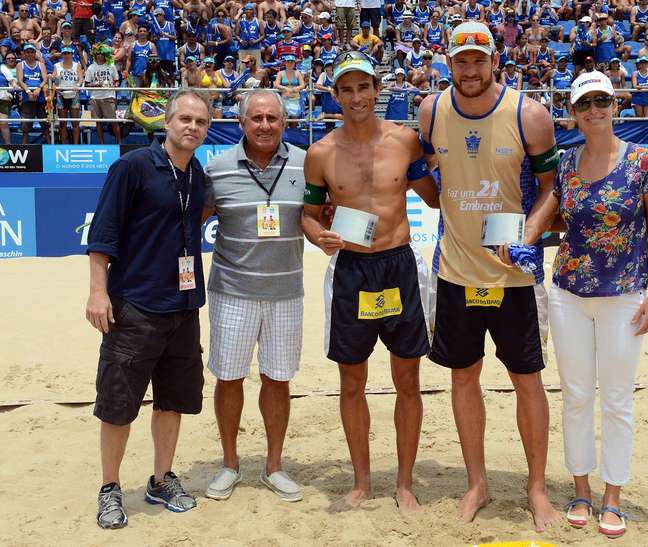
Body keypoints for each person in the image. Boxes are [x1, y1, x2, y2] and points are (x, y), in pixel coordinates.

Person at [417, 21, 561, 530]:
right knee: (463, 378)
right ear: (449, 63)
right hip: (456, 272)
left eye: (480, 60)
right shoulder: (431, 109)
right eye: (462, 60)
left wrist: (529, 235)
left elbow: (551, 188)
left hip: (514, 276)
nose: (471, 69)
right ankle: (476, 482)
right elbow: (429, 170)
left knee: (528, 381)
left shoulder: (529, 114)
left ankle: (537, 488)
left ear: (494, 60)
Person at [302, 50, 439, 515]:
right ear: (336, 95)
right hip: (351, 269)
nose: (357, 96)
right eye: (347, 89)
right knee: (351, 381)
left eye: (364, 87)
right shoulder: (320, 153)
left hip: (399, 265)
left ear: (378, 90)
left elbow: (436, 198)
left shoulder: (405, 143)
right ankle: (361, 481)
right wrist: (317, 234)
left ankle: (404, 483)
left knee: (407, 379)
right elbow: (307, 213)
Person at [542, 70, 648, 538]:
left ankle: (613, 495)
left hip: (625, 295)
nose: (593, 109)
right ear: (572, 114)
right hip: (569, 293)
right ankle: (581, 489)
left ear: (615, 105)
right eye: (584, 104)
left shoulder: (644, 162)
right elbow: (553, 217)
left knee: (616, 400)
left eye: (601, 101)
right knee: (575, 397)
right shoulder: (565, 162)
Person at [85, 90, 212, 529]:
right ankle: (109, 488)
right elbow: (104, 233)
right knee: (118, 404)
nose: (191, 126)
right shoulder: (133, 166)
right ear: (167, 121)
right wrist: (97, 293)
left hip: (184, 307)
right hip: (135, 307)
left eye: (200, 121)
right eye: (184, 118)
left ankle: (161, 479)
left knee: (172, 401)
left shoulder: (197, 174)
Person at [202, 90, 306, 503]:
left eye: (273, 118)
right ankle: (229, 464)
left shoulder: (304, 162)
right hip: (232, 291)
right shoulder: (217, 168)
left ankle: (274, 466)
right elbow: (192, 219)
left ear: (285, 122)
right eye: (256, 118)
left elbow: (323, 212)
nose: (265, 125)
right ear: (241, 122)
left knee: (277, 379)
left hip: (286, 292)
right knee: (228, 377)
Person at [85, 45, 122, 144]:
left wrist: (115, 86)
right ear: (94, 55)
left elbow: (117, 81)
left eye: (102, 53)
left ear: (105, 54)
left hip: (109, 96)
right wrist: (96, 84)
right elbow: (87, 84)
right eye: (97, 53)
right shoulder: (91, 68)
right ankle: (102, 144)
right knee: (98, 122)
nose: (100, 55)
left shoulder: (111, 66)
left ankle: (119, 143)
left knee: (113, 122)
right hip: (95, 97)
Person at [16, 43, 50, 144]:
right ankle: (24, 150)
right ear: (24, 54)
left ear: (35, 53)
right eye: (28, 52)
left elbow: (45, 79)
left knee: (45, 127)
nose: (30, 54)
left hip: (41, 98)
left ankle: (50, 147)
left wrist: (39, 88)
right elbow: (20, 80)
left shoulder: (41, 64)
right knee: (25, 127)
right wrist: (28, 91)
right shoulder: (20, 65)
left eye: (32, 52)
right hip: (27, 99)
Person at [53, 46, 83, 144]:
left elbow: (81, 77)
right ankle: (63, 144)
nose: (66, 55)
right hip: (61, 94)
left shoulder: (77, 65)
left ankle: (75, 144)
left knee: (75, 122)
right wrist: (52, 79)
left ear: (72, 54)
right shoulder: (57, 66)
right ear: (62, 55)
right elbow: (53, 78)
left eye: (68, 53)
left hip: (74, 94)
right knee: (63, 122)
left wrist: (78, 85)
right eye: (64, 53)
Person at [0, 50, 18, 144]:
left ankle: (9, 146)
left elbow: (12, 80)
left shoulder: (3, 68)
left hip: (3, 98)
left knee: (3, 123)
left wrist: (15, 85)